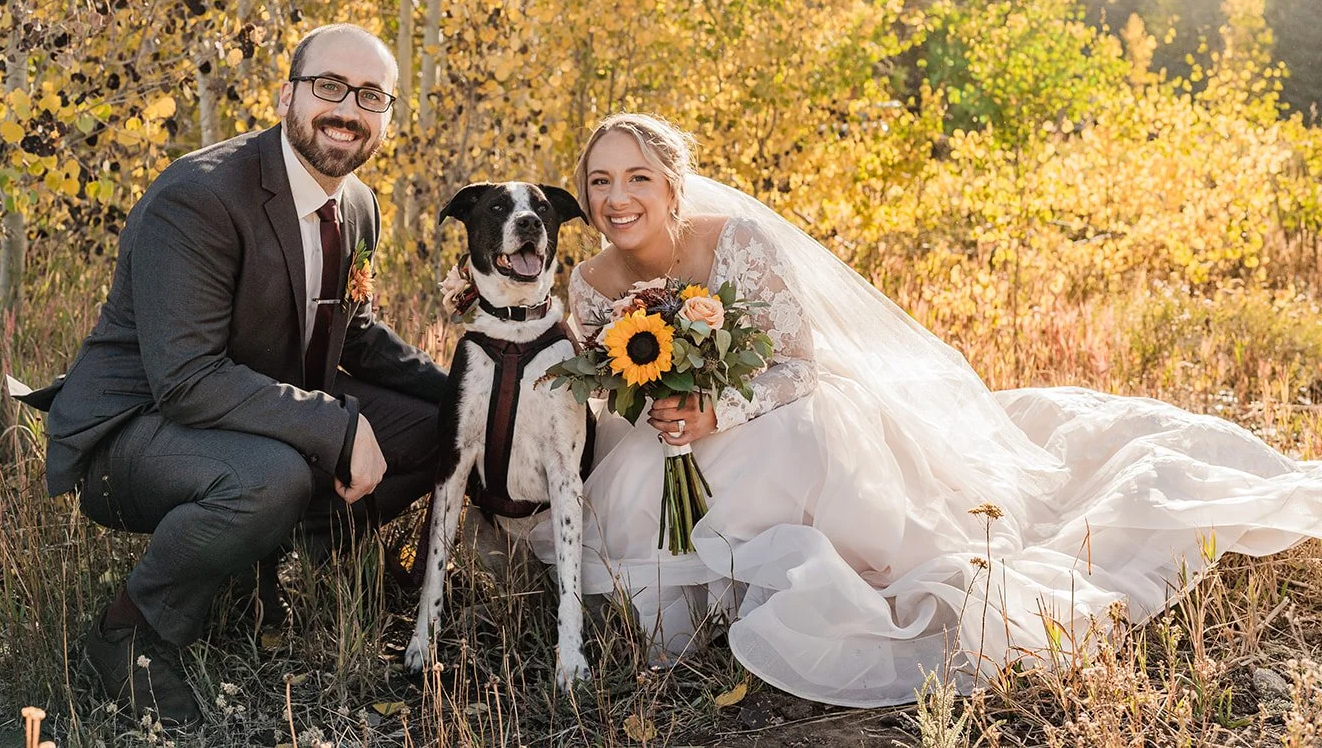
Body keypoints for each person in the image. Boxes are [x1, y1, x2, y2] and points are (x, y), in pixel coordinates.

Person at [528, 112, 1322, 706]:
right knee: (633, 474)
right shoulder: (591, 284)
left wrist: (714, 410)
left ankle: (815, 581)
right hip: (676, 430)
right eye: (600, 181)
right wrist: (664, 406)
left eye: (636, 178)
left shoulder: (735, 241)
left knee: (792, 444)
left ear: (672, 183)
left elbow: (797, 365)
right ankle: (692, 618)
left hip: (778, 403)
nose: (617, 197)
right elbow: (612, 386)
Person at [43, 24, 447, 727]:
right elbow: (187, 378)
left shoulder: (357, 204)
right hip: (138, 432)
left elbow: (354, 331)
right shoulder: (199, 197)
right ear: (286, 93)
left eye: (370, 95)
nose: (348, 109)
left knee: (446, 426)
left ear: (387, 113)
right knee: (272, 477)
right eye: (329, 87)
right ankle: (129, 633)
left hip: (250, 416)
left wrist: (475, 395)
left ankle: (279, 558)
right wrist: (337, 423)